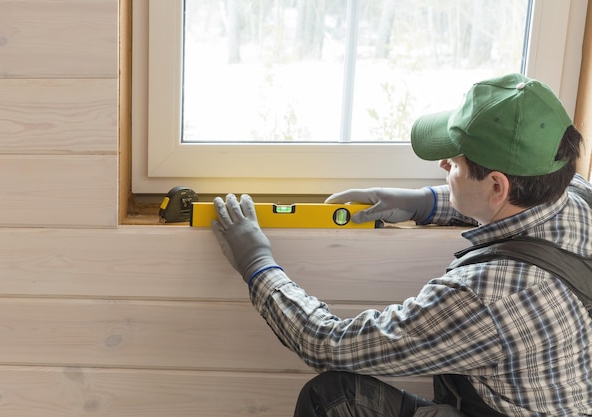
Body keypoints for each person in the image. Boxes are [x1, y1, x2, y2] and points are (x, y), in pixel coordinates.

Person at [210, 73, 592, 417]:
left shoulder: (487, 296)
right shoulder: (576, 195)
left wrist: (258, 264)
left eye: (454, 163)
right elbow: (510, 208)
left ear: (496, 186)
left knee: (333, 399)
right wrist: (423, 202)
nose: (443, 163)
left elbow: (326, 344)